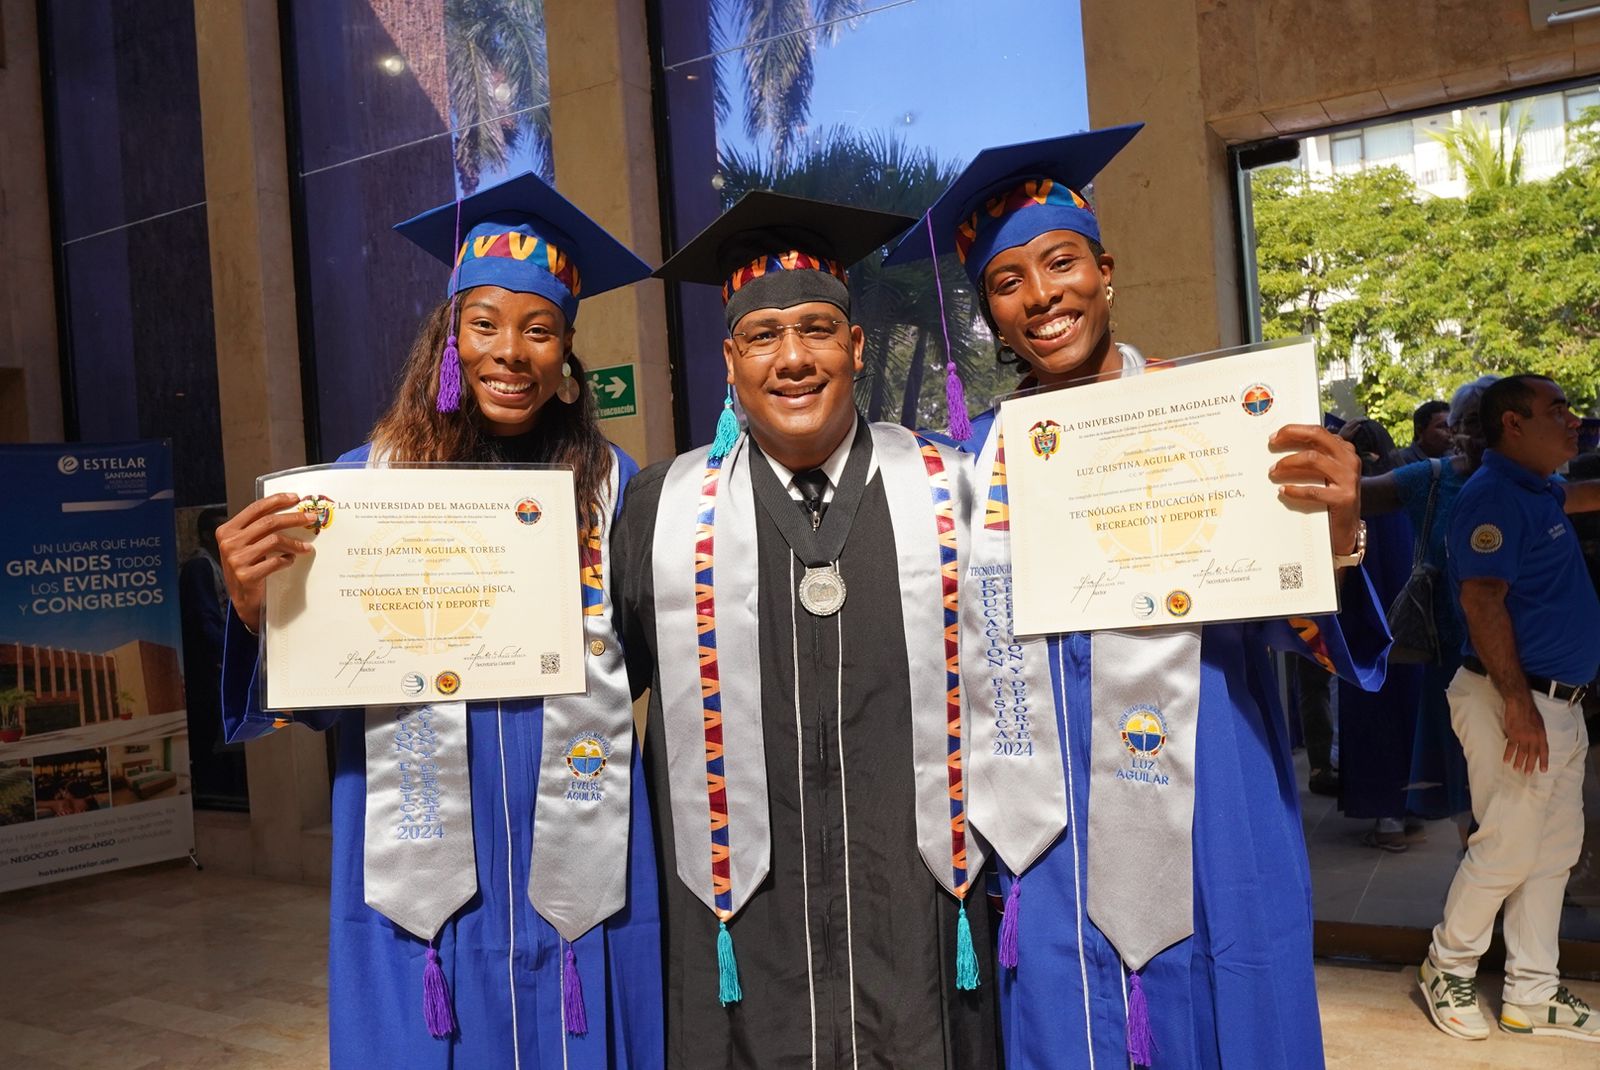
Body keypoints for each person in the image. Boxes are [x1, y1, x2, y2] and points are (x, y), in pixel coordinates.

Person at [883, 125, 1391, 1070]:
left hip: (1210, 797)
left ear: (1106, 270)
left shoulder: (1217, 421)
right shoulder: (972, 462)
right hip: (1047, 822)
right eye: (1007, 281)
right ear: (989, 311)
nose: (1041, 296)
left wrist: (1333, 536)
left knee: (1223, 1003)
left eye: (1062, 263)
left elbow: (1315, 636)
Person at [214, 173, 663, 1069]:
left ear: (567, 355)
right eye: (486, 323)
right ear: (448, 340)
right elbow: (320, 692)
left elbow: (642, 659)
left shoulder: (616, 490)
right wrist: (261, 613)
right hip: (421, 859)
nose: (512, 351)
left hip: (572, 836)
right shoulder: (359, 487)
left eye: (540, 330)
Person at [615, 191, 1001, 1068]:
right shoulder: (660, 511)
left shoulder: (955, 492)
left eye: (818, 329)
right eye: (764, 335)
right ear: (730, 359)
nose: (793, 358)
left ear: (856, 348)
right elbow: (582, 703)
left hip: (919, 930)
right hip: (741, 945)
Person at [1418, 374, 1600, 1043]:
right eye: (1559, 410)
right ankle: (1448, 966)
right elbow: (1482, 601)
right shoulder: (1492, 496)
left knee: (1552, 852)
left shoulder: (1534, 489)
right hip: (1514, 702)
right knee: (1505, 850)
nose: (1574, 420)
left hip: (1558, 705)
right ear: (1514, 425)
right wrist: (1519, 705)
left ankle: (1533, 993)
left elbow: (1576, 495)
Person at [1360, 375, 1496, 831]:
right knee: (1471, 794)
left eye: (1497, 422)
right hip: (1456, 666)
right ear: (1455, 428)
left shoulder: (1540, 481)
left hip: (1532, 664)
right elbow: (1353, 497)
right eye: (1474, 422)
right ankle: (1483, 891)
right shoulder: (1432, 480)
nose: (1484, 434)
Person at [1331, 418, 1423, 850]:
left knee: (1375, 724)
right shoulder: (1399, 492)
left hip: (1362, 634)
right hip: (1406, 630)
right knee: (1407, 718)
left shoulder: (1347, 497)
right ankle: (1407, 809)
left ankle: (1388, 821)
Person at [179, 506, 247, 806]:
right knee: (211, 737)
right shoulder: (200, 567)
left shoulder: (220, 563)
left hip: (221, 663)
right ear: (209, 533)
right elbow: (206, 620)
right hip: (209, 669)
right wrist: (233, 652)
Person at [1395, 399, 1451, 467]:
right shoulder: (1400, 461)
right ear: (1420, 430)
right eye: (1442, 426)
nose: (1450, 431)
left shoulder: (1454, 457)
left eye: (1451, 425)